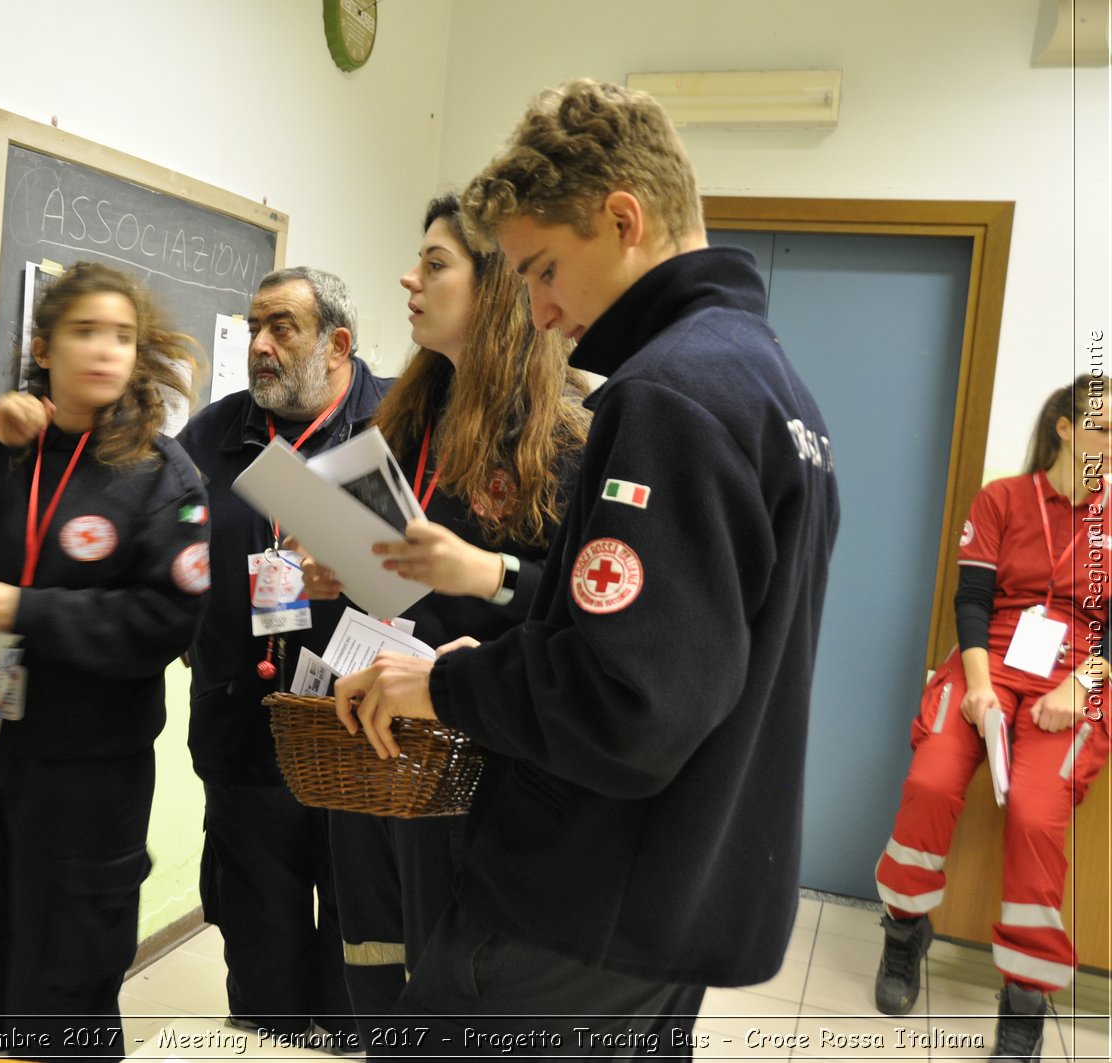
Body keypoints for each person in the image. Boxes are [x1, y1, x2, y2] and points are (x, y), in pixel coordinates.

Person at [334, 78, 840, 1056]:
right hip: (667, 899)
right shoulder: (774, 385)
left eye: (540, 269)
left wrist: (443, 681)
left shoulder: (668, 395)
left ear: (623, 218)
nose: (537, 306)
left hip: (579, 906)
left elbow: (624, 700)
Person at [294, 194, 588, 1034]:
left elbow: (568, 610)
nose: (409, 278)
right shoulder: (404, 422)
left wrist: (486, 576)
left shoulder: (561, 439)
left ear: (494, 286)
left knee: (455, 1004)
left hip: (476, 769)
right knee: (374, 977)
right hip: (372, 751)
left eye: (434, 263)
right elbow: (397, 585)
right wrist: (336, 572)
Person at [0, 262, 209, 1059]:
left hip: (89, 777)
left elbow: (166, 621)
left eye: (123, 335)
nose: (107, 350)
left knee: (63, 998)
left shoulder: (161, 473)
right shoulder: (11, 450)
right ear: (43, 346)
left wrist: (24, 610)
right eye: (86, 332)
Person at [176, 267, 388, 1050]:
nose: (258, 346)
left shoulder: (397, 421)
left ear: (337, 344)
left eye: (281, 328)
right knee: (257, 916)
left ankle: (344, 1033)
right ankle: (266, 1028)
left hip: (359, 725)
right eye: (253, 326)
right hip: (243, 718)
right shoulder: (211, 435)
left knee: (356, 917)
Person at [872, 376, 1109, 1060]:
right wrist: (977, 687)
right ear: (1066, 426)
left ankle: (1025, 994)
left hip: (1077, 675)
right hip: (990, 658)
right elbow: (971, 600)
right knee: (930, 784)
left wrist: (1080, 681)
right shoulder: (1002, 498)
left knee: (1037, 813)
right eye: (1107, 427)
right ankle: (905, 928)